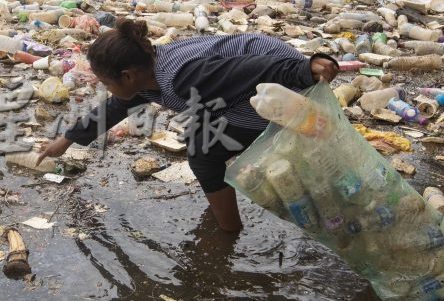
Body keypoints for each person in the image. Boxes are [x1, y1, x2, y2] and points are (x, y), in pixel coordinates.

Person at [37, 19, 339, 232]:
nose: (105, 88)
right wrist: (66, 140)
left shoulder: (180, 79)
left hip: (279, 84)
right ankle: (221, 205)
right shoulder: (149, 69)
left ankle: (228, 229)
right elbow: (119, 105)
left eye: (105, 82)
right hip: (249, 77)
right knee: (202, 136)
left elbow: (251, 71)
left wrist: (303, 69)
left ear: (127, 75)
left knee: (204, 154)